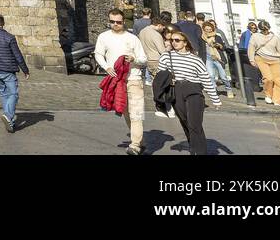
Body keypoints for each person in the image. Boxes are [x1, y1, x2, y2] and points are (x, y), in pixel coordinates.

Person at [94, 8, 148, 155]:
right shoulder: (103, 37)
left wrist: (133, 59)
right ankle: (140, 141)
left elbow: (144, 59)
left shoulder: (132, 39)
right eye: (112, 22)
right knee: (126, 112)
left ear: (124, 22)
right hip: (117, 81)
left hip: (134, 79)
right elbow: (98, 54)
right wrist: (106, 67)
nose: (115, 24)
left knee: (135, 112)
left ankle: (135, 145)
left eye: (118, 22)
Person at [160, 29, 221, 154]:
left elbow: (205, 79)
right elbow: (161, 76)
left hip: (193, 90)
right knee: (185, 121)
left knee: (194, 123)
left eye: (177, 40)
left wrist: (215, 99)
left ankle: (199, 151)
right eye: (171, 40)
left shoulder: (195, 59)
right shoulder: (166, 56)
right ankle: (193, 147)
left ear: (185, 43)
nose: (174, 42)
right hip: (176, 90)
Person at [248, 19, 280, 107]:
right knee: (268, 78)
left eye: (266, 29)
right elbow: (251, 48)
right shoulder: (255, 36)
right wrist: (251, 59)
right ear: (260, 29)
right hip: (261, 59)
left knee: (278, 81)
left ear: (269, 28)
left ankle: (277, 100)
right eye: (263, 30)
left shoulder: (275, 38)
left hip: (275, 60)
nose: (265, 31)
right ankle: (268, 95)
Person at [138, 12, 169, 86]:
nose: (163, 29)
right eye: (163, 27)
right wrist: (168, 47)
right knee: (161, 85)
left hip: (148, 60)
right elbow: (162, 51)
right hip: (157, 61)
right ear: (159, 25)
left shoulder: (142, 31)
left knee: (154, 83)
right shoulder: (156, 34)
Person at [201, 21, 233, 93]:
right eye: (207, 29)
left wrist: (219, 46)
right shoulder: (202, 38)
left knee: (223, 76)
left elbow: (223, 47)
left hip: (218, 57)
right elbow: (200, 48)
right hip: (208, 57)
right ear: (204, 29)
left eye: (210, 29)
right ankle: (214, 90)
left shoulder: (217, 37)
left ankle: (228, 89)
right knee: (211, 75)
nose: (208, 31)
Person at [238, 21, 262, 93]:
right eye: (252, 28)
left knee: (257, 69)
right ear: (249, 28)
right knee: (249, 69)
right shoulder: (245, 34)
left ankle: (256, 83)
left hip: (257, 54)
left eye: (255, 28)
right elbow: (243, 44)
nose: (254, 29)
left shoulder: (258, 35)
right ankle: (251, 84)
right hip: (247, 53)